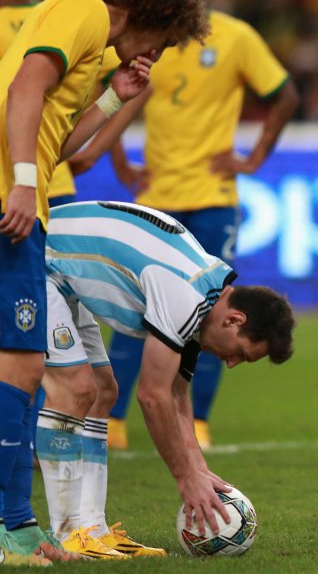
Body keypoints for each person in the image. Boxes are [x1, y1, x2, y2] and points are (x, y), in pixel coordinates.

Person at [0, 0, 209, 565]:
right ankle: (13, 528)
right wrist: (18, 182)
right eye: (164, 40)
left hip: (25, 201)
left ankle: (17, 527)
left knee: (27, 372)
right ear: (147, 11)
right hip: (13, 203)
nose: (157, 54)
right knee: (25, 373)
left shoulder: (94, 58)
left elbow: (59, 147)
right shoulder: (84, 9)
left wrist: (115, 98)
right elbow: (25, 85)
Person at [72, 0, 300, 453]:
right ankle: (113, 420)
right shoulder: (157, 40)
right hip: (158, 198)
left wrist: (253, 157)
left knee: (217, 316)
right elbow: (132, 98)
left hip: (212, 195)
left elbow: (284, 94)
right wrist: (119, 164)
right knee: (140, 310)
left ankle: (195, 420)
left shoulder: (237, 37)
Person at [39, 200, 295, 558]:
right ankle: (65, 534)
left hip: (60, 272)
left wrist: (200, 469)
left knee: (102, 392)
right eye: (241, 353)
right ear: (234, 320)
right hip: (35, 259)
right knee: (76, 389)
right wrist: (185, 478)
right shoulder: (186, 296)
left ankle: (92, 529)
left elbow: (177, 395)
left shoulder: (207, 292)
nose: (233, 364)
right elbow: (152, 396)